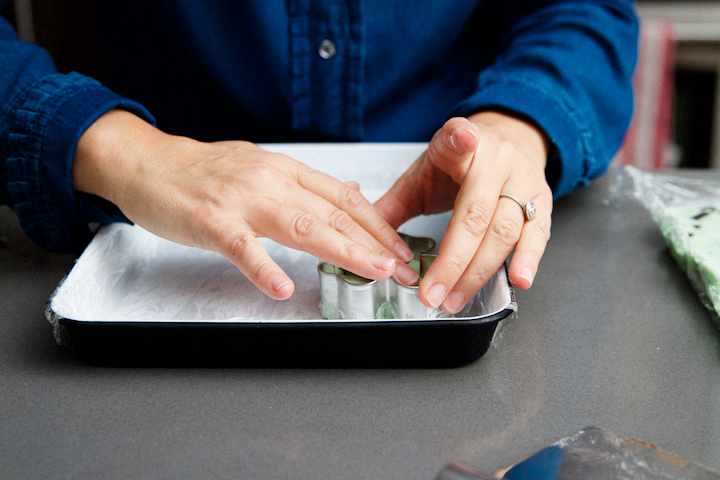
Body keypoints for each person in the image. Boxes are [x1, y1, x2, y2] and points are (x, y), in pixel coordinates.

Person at [0, 1, 638, 313]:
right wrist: (121, 151)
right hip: (148, 205)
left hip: (447, 188)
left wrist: (518, 124)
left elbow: (584, 10)